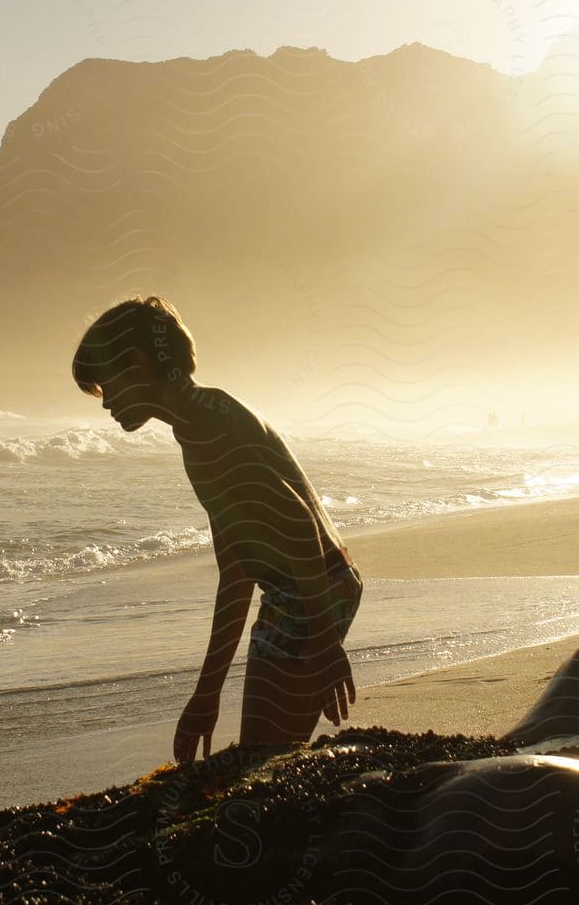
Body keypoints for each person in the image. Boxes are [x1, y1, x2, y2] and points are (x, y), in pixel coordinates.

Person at [71, 295, 363, 763]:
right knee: (265, 756)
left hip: (310, 593)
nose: (105, 405)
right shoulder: (199, 421)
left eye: (106, 386)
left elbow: (298, 524)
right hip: (308, 590)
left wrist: (326, 645)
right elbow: (236, 569)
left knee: (262, 759)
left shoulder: (209, 427)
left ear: (137, 364)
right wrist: (207, 695)